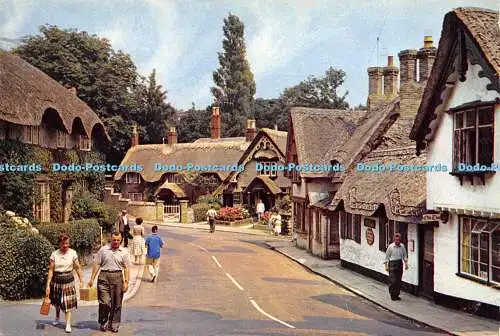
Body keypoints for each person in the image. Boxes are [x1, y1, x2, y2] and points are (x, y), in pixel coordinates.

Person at [88, 232, 131, 333]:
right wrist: (92, 279)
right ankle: (103, 321)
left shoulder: (124, 252)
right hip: (104, 277)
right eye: (114, 240)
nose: (116, 242)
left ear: (120, 240)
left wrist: (126, 282)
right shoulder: (103, 250)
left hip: (118, 277)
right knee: (105, 302)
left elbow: (126, 268)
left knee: (117, 304)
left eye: (118, 240)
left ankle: (114, 324)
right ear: (110, 239)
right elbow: (97, 264)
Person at [45, 233, 83, 333]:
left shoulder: (73, 253)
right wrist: (48, 284)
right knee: (57, 301)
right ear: (59, 244)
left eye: (67, 243)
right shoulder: (54, 254)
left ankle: (68, 324)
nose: (65, 245)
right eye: (63, 243)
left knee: (67, 303)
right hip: (56, 280)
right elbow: (51, 270)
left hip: (68, 281)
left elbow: (78, 267)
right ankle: (57, 316)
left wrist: (81, 281)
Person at [384, 233, 409, 301]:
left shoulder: (402, 246)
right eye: (396, 240)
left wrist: (406, 264)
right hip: (392, 264)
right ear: (394, 240)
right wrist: (386, 266)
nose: (397, 241)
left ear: (400, 240)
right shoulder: (391, 247)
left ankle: (397, 295)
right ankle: (392, 295)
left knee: (398, 281)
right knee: (393, 281)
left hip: (399, 263)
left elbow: (404, 255)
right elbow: (387, 257)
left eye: (398, 240)